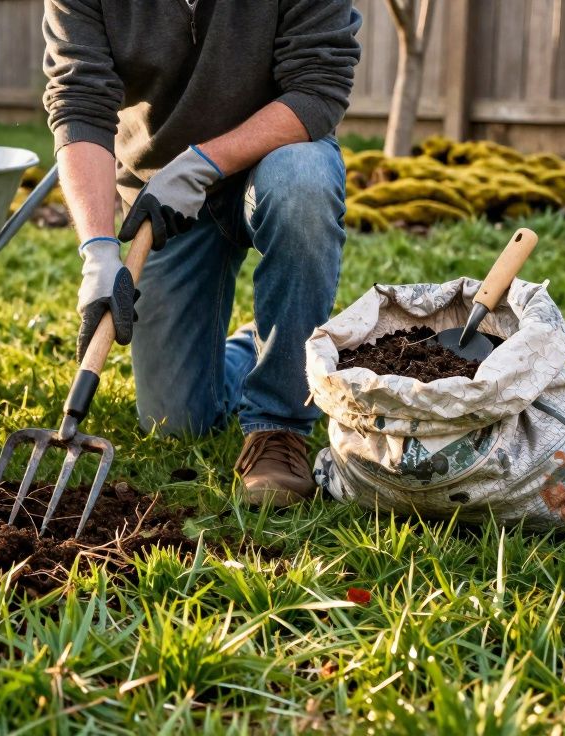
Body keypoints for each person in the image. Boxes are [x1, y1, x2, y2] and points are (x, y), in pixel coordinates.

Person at [43, 0, 362, 507]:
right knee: (176, 421)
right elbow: (79, 101)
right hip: (161, 198)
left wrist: (203, 163)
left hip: (274, 162)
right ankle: (259, 346)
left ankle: (278, 427)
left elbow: (318, 88)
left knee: (303, 182)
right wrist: (100, 251)